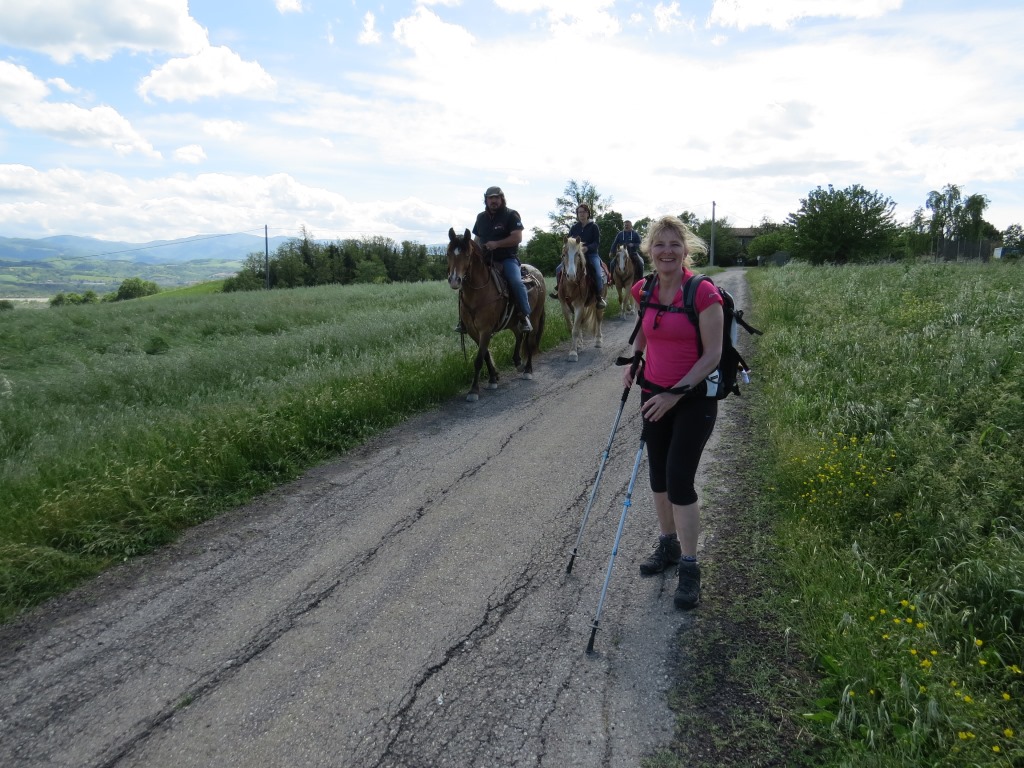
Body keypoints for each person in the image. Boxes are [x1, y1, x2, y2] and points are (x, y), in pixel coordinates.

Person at [621, 214, 724, 610]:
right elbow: (647, 326)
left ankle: (690, 565)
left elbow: (713, 355)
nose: (667, 251)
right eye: (660, 245)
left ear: (686, 251)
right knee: (658, 476)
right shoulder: (642, 289)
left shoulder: (703, 293)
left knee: (680, 480)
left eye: (674, 245)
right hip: (653, 393)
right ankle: (667, 545)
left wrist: (674, 394)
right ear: (649, 250)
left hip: (694, 398)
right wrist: (635, 359)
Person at [460, 186, 532, 332]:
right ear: (486, 200)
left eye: (496, 198)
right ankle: (463, 320)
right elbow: (477, 238)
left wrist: (497, 244)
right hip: (485, 259)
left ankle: (524, 316)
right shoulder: (480, 217)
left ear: (501, 199)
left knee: (516, 282)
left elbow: (517, 237)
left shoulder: (511, 215)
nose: (493, 201)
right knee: (465, 282)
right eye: (490, 198)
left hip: (507, 259)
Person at [551, 203, 607, 308]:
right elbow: (568, 242)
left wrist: (587, 248)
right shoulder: (574, 227)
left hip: (591, 254)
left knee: (598, 274)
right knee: (558, 269)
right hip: (575, 256)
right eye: (579, 212)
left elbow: (596, 242)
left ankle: (599, 297)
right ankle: (559, 291)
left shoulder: (594, 227)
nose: (581, 214)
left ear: (588, 213)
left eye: (584, 212)